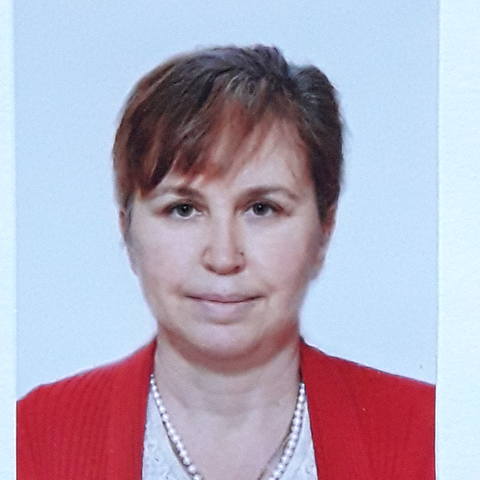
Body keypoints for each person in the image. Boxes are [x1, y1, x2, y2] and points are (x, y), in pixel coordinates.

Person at [17, 45, 435, 480]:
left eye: (261, 209)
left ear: (324, 229)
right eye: (183, 209)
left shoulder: (434, 434)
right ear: (127, 229)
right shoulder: (29, 437)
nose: (222, 257)